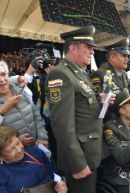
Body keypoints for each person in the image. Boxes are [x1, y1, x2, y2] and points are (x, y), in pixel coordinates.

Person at [45, 26, 115, 193]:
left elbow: (83, 109)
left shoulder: (80, 73)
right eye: (88, 47)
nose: (92, 52)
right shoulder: (61, 75)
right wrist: (77, 163)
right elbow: (62, 125)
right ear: (72, 48)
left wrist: (102, 101)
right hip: (80, 158)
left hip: (90, 153)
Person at [0, 59, 48, 164]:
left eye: (3, 74)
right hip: (11, 163)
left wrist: (42, 137)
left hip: (37, 151)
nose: (2, 79)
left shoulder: (19, 90)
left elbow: (36, 116)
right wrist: (13, 144)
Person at [0, 126, 67, 193]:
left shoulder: (36, 152)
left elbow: (55, 175)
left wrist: (61, 186)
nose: (19, 150)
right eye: (10, 150)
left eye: (18, 143)